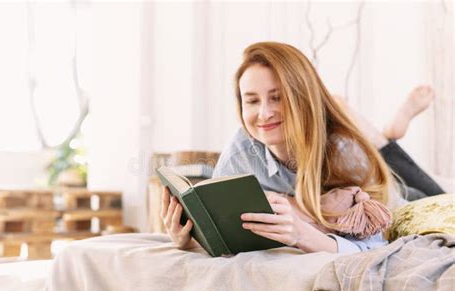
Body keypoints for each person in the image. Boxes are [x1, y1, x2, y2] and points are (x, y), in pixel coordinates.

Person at [160, 42, 445, 255]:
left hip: (402, 200)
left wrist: (303, 235)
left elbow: (375, 248)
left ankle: (385, 137)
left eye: (277, 98)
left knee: (440, 197)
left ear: (301, 98)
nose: (264, 113)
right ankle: (383, 136)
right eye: (252, 101)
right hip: (355, 180)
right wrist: (189, 240)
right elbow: (226, 235)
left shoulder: (343, 150)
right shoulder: (241, 151)